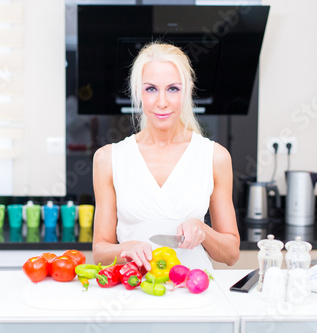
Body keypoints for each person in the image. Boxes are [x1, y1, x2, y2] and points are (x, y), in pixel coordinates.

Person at [92, 42, 240, 271]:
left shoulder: (215, 157)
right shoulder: (108, 159)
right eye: (151, 89)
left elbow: (231, 255)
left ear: (188, 90)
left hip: (195, 292)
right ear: (138, 92)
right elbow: (100, 253)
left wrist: (204, 231)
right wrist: (126, 249)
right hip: (133, 291)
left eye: (173, 88)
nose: (162, 102)